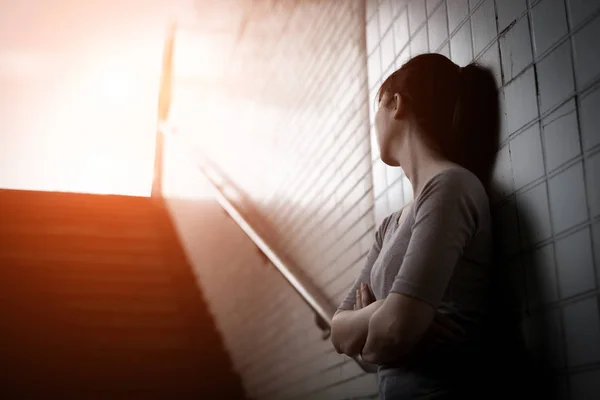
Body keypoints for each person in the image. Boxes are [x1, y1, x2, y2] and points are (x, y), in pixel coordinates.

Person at [330, 53, 500, 399]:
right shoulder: (389, 225)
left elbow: (391, 334)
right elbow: (338, 331)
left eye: (376, 109)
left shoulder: (451, 186)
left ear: (396, 103)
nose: (373, 124)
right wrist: (385, 310)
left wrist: (383, 326)